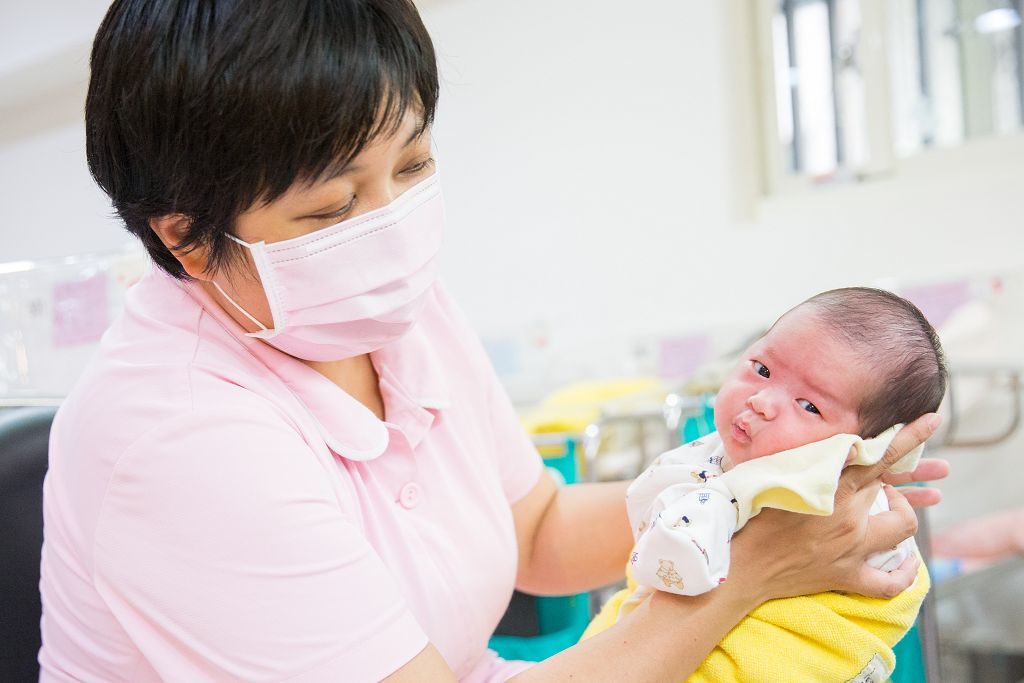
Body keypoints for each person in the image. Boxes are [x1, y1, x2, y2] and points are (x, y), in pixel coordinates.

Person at [38, 2, 947, 681]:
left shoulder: (390, 307)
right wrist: (751, 568)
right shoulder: (174, 437)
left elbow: (536, 531)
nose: (392, 227)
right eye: (332, 207)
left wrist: (747, 487)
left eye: (415, 165)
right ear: (186, 238)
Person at [583, 288, 947, 681]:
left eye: (809, 406)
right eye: (762, 369)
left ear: (866, 448)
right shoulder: (723, 458)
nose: (762, 400)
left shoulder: (805, 496)